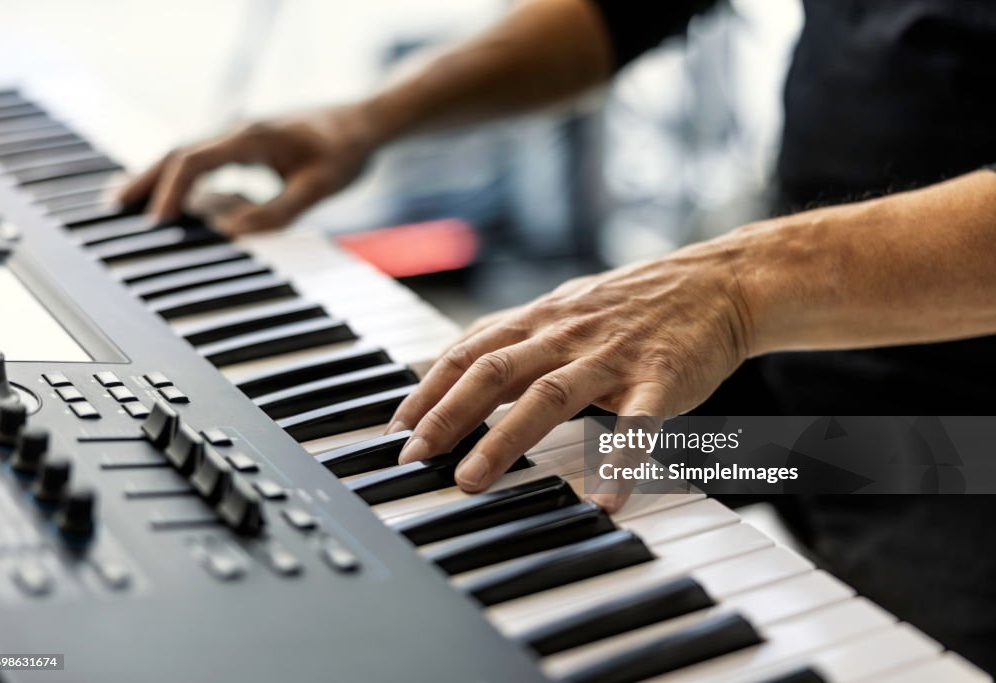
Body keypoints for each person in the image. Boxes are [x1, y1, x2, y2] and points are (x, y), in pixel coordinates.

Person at [119, 0, 996, 671]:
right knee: (472, 463)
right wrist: (365, 119)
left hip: (959, 442)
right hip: (802, 376)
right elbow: (620, 11)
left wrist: (737, 284)